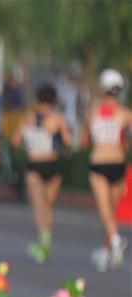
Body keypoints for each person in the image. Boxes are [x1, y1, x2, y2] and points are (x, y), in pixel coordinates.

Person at [12, 83, 72, 263]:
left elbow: (15, 141)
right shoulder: (57, 118)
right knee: (47, 205)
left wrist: (29, 138)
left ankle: (43, 243)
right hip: (53, 165)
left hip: (35, 165)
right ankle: (45, 242)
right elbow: (68, 142)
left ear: (37, 99)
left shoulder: (27, 118)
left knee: (39, 205)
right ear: (53, 100)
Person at [82, 68, 131, 272]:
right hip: (118, 164)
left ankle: (115, 242)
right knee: (110, 212)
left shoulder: (92, 112)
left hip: (98, 164)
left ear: (102, 89)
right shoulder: (126, 114)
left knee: (105, 210)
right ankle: (106, 251)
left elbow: (85, 141)